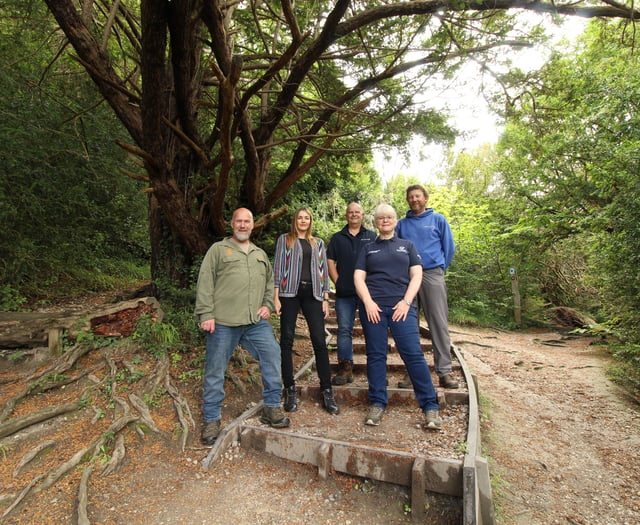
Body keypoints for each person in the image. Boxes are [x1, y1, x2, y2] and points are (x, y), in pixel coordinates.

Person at [195, 208, 290, 445]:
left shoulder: (259, 254)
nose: (243, 225)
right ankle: (212, 419)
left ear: (252, 225)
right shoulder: (218, 250)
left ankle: (271, 407)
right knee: (215, 369)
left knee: (272, 355)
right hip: (224, 321)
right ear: (232, 224)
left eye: (247, 221)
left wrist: (268, 304)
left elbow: (270, 283)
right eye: (239, 221)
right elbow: (205, 282)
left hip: (254, 323)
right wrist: (206, 313)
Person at [354, 203, 441, 430]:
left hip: (403, 308)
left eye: (389, 217)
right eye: (381, 217)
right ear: (375, 222)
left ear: (395, 220)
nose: (385, 220)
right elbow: (358, 278)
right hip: (374, 309)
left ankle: (430, 407)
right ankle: (377, 402)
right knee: (375, 355)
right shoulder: (368, 249)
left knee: (413, 354)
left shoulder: (408, 246)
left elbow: (417, 275)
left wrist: (406, 302)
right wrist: (368, 303)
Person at [273, 207, 340, 415]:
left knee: (319, 341)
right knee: (287, 340)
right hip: (288, 293)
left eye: (307, 218)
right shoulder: (285, 240)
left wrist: (325, 298)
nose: (303, 221)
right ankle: (290, 388)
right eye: (300, 218)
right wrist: (275, 297)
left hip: (313, 294)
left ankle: (327, 390)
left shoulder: (318, 243)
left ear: (311, 221)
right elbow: (277, 268)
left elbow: (322, 272)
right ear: (295, 220)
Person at [395, 184, 458, 389]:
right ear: (407, 200)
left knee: (438, 324)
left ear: (425, 198)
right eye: (411, 197)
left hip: (432, 274)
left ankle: (445, 371)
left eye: (418, 196)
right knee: (408, 326)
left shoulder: (438, 220)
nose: (414, 200)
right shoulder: (401, 225)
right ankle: (412, 372)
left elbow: (449, 248)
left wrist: (438, 269)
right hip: (407, 278)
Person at [326, 203, 376, 385]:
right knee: (344, 330)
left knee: (372, 330)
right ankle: (345, 368)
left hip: (367, 294)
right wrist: (337, 281)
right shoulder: (338, 238)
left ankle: (375, 370)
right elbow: (330, 260)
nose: (354, 215)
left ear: (362, 215)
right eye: (350, 212)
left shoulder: (371, 236)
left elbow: (377, 260)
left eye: (357, 212)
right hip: (344, 292)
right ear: (346, 216)